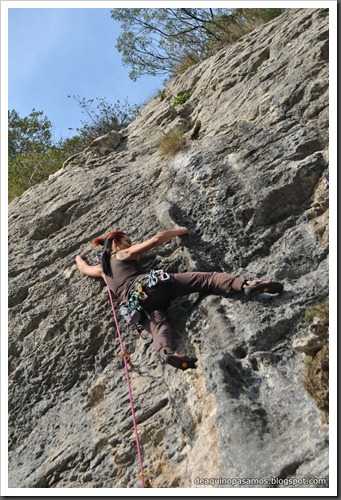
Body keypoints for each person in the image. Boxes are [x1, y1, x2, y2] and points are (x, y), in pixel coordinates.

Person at [75, 228, 283, 371]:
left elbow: (84, 269)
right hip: (152, 284)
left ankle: (167, 353)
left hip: (139, 304)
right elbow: (156, 240)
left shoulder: (102, 271)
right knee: (208, 279)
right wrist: (179, 231)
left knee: (159, 327)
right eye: (127, 241)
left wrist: (77, 258)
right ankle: (246, 285)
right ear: (115, 243)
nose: (131, 243)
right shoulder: (121, 255)